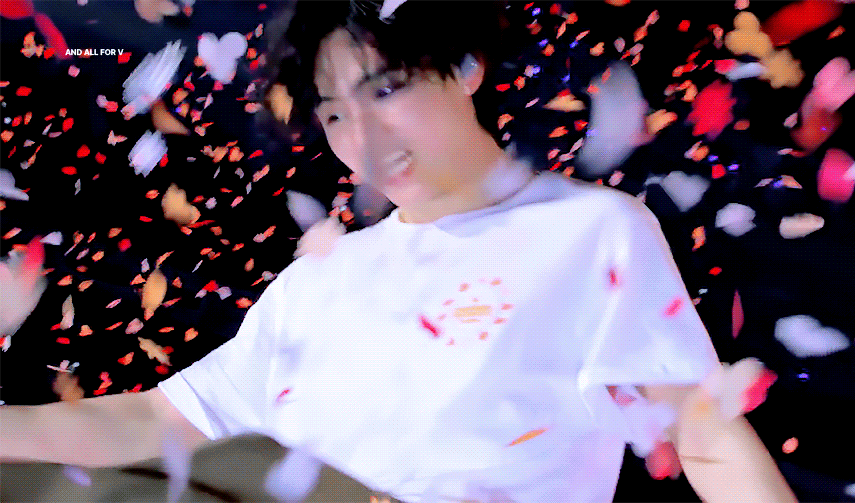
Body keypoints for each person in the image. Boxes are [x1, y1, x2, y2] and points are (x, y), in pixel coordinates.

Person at [1, 1, 798, 502]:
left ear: (465, 68)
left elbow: (706, 438)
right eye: (335, 114)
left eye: (385, 90)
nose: (366, 137)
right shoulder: (320, 284)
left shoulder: (589, 233)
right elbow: (155, 419)